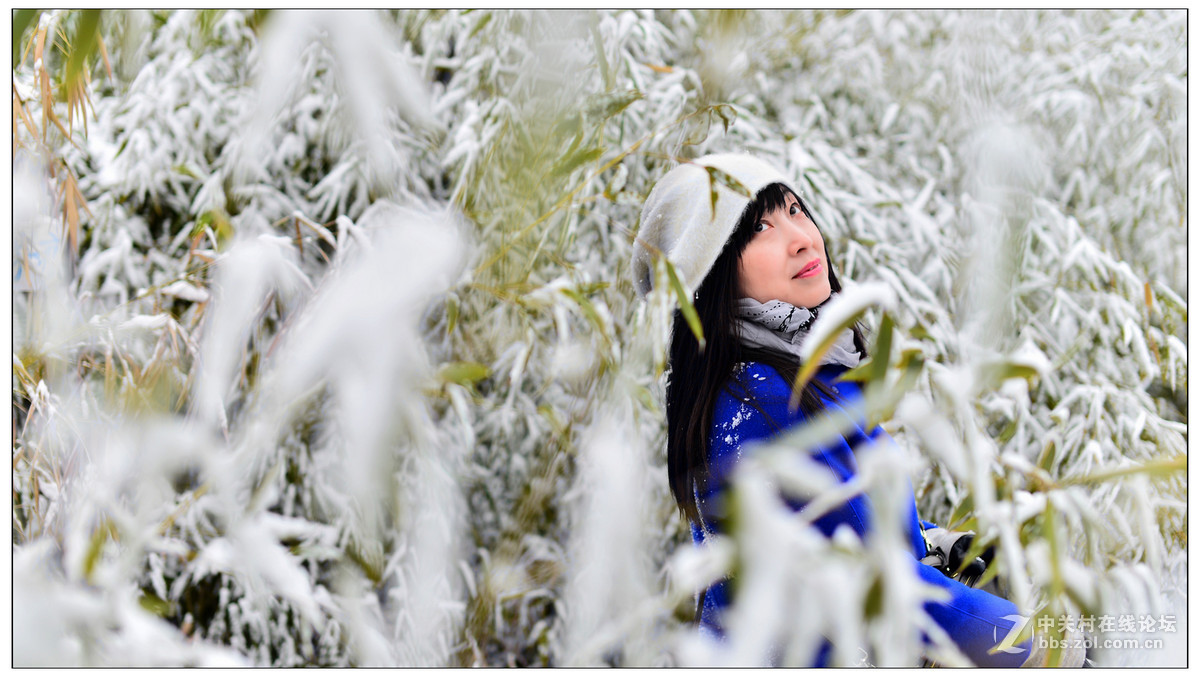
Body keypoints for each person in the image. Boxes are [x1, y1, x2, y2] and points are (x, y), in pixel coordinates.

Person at [631, 153, 1046, 667]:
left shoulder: (790, 372)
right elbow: (886, 590)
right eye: (759, 228)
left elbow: (846, 528)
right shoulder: (764, 408)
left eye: (794, 210)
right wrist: (1039, 647)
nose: (802, 238)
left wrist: (931, 545)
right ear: (709, 272)